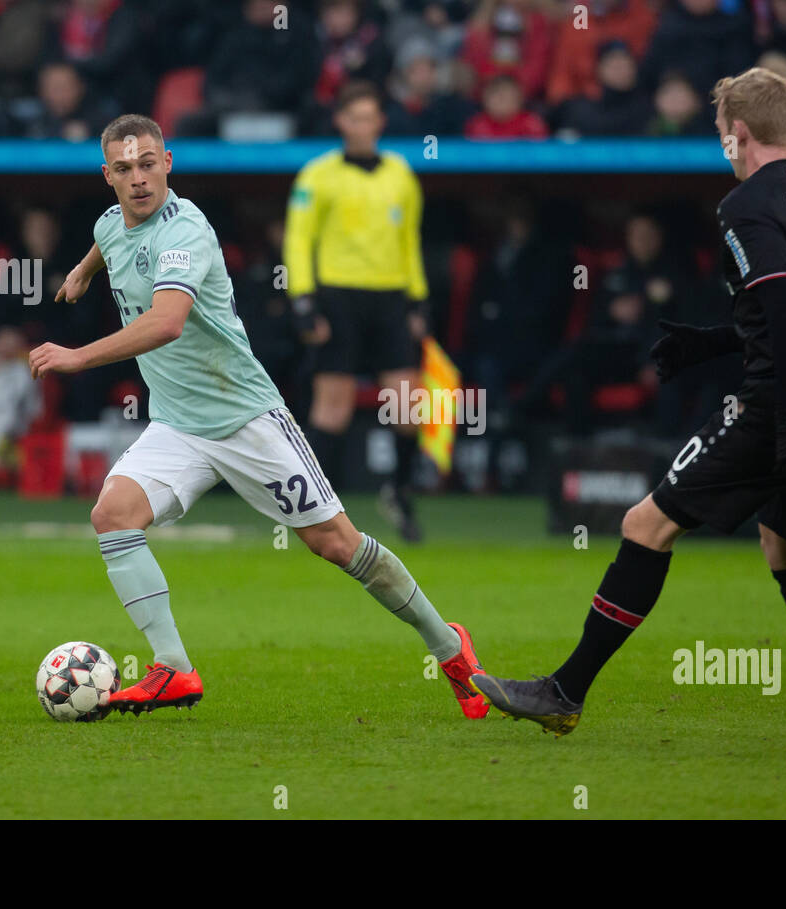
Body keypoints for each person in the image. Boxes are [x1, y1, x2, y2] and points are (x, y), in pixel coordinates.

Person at [472, 67, 786, 745]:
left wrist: (781, 421)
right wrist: (714, 344)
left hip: (783, 405)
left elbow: (784, 314)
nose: (723, 146)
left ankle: (563, 692)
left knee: (645, 524)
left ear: (741, 134)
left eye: (723, 134)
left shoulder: (747, 204)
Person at [27, 114, 488, 718]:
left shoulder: (186, 229)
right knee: (112, 515)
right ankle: (174, 670)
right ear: (107, 176)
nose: (138, 179)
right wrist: (84, 271)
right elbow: (108, 238)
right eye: (124, 169)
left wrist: (77, 356)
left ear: (168, 163)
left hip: (246, 418)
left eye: (148, 165)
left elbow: (166, 323)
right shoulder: (110, 223)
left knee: (336, 545)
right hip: (177, 424)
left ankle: (450, 648)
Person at [283, 81, 430, 542]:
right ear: (341, 122)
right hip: (338, 296)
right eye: (355, 117)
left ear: (380, 123)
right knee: (334, 409)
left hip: (389, 298)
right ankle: (314, 511)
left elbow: (409, 241)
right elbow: (298, 239)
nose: (363, 126)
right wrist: (303, 301)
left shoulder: (401, 174)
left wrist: (417, 299)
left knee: (409, 406)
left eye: (371, 117)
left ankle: (399, 491)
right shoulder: (317, 175)